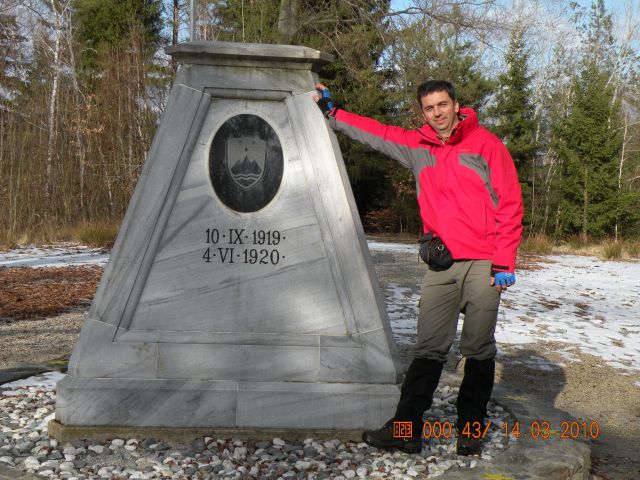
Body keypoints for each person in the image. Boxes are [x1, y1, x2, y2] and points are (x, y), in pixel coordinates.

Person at [314, 80, 523, 456]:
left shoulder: (486, 146)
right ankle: (405, 429)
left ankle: (471, 430)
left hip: (484, 263)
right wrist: (333, 114)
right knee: (429, 347)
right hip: (442, 264)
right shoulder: (418, 147)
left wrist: (505, 261)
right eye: (429, 108)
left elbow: (509, 204)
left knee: (477, 348)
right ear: (422, 112)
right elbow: (377, 133)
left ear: (457, 105)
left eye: (443, 105)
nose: (437, 113)